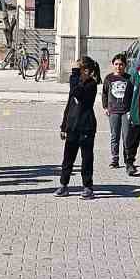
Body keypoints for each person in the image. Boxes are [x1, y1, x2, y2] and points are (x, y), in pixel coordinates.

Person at [58, 56, 98, 198]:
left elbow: (78, 94)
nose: (75, 72)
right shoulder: (76, 82)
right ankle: (64, 184)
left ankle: (88, 186)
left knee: (86, 158)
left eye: (77, 68)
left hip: (86, 126)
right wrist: (64, 126)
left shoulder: (91, 84)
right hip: (72, 126)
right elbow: (69, 105)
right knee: (68, 157)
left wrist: (79, 78)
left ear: (86, 70)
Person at [101, 52, 133, 168]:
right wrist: (105, 107)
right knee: (114, 135)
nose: (118, 67)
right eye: (116, 64)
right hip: (113, 110)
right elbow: (104, 93)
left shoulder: (129, 78)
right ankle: (114, 159)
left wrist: (131, 111)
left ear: (125, 65)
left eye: (121, 64)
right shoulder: (109, 78)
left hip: (126, 111)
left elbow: (132, 96)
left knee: (127, 136)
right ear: (113, 65)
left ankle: (128, 159)